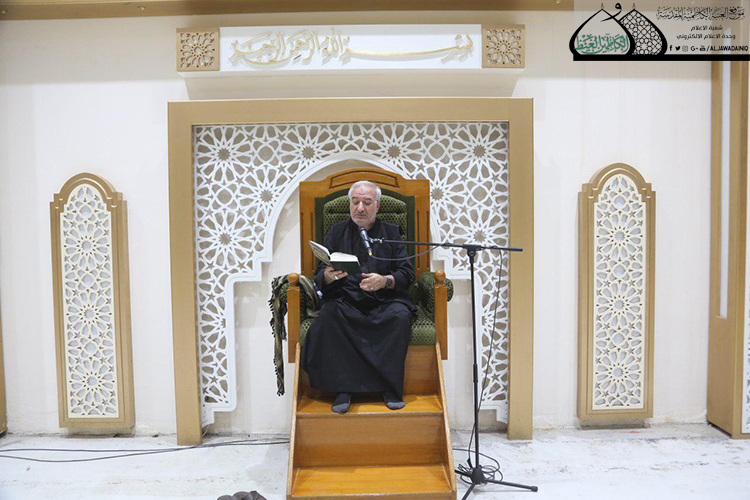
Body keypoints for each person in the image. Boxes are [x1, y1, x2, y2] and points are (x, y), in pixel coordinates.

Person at [300, 180, 416, 413]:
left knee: (400, 316)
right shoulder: (337, 232)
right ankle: (343, 389)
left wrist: (385, 280)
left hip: (384, 302)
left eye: (367, 202)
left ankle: (389, 387)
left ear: (377, 206)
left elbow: (407, 273)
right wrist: (328, 277)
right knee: (330, 315)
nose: (360, 208)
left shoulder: (391, 233)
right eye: (355, 202)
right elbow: (319, 272)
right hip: (347, 301)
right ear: (350, 205)